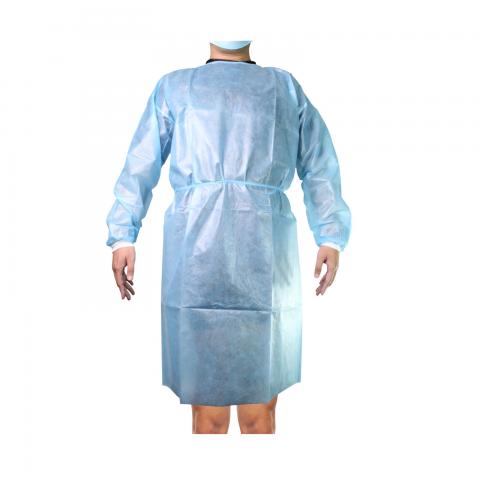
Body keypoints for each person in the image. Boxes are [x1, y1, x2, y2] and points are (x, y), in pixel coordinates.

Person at [105, 40, 352, 434]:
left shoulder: (284, 89)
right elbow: (141, 163)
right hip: (198, 265)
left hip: (264, 263)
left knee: (259, 414)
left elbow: (318, 162)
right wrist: (123, 234)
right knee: (208, 415)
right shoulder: (175, 88)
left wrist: (330, 235)